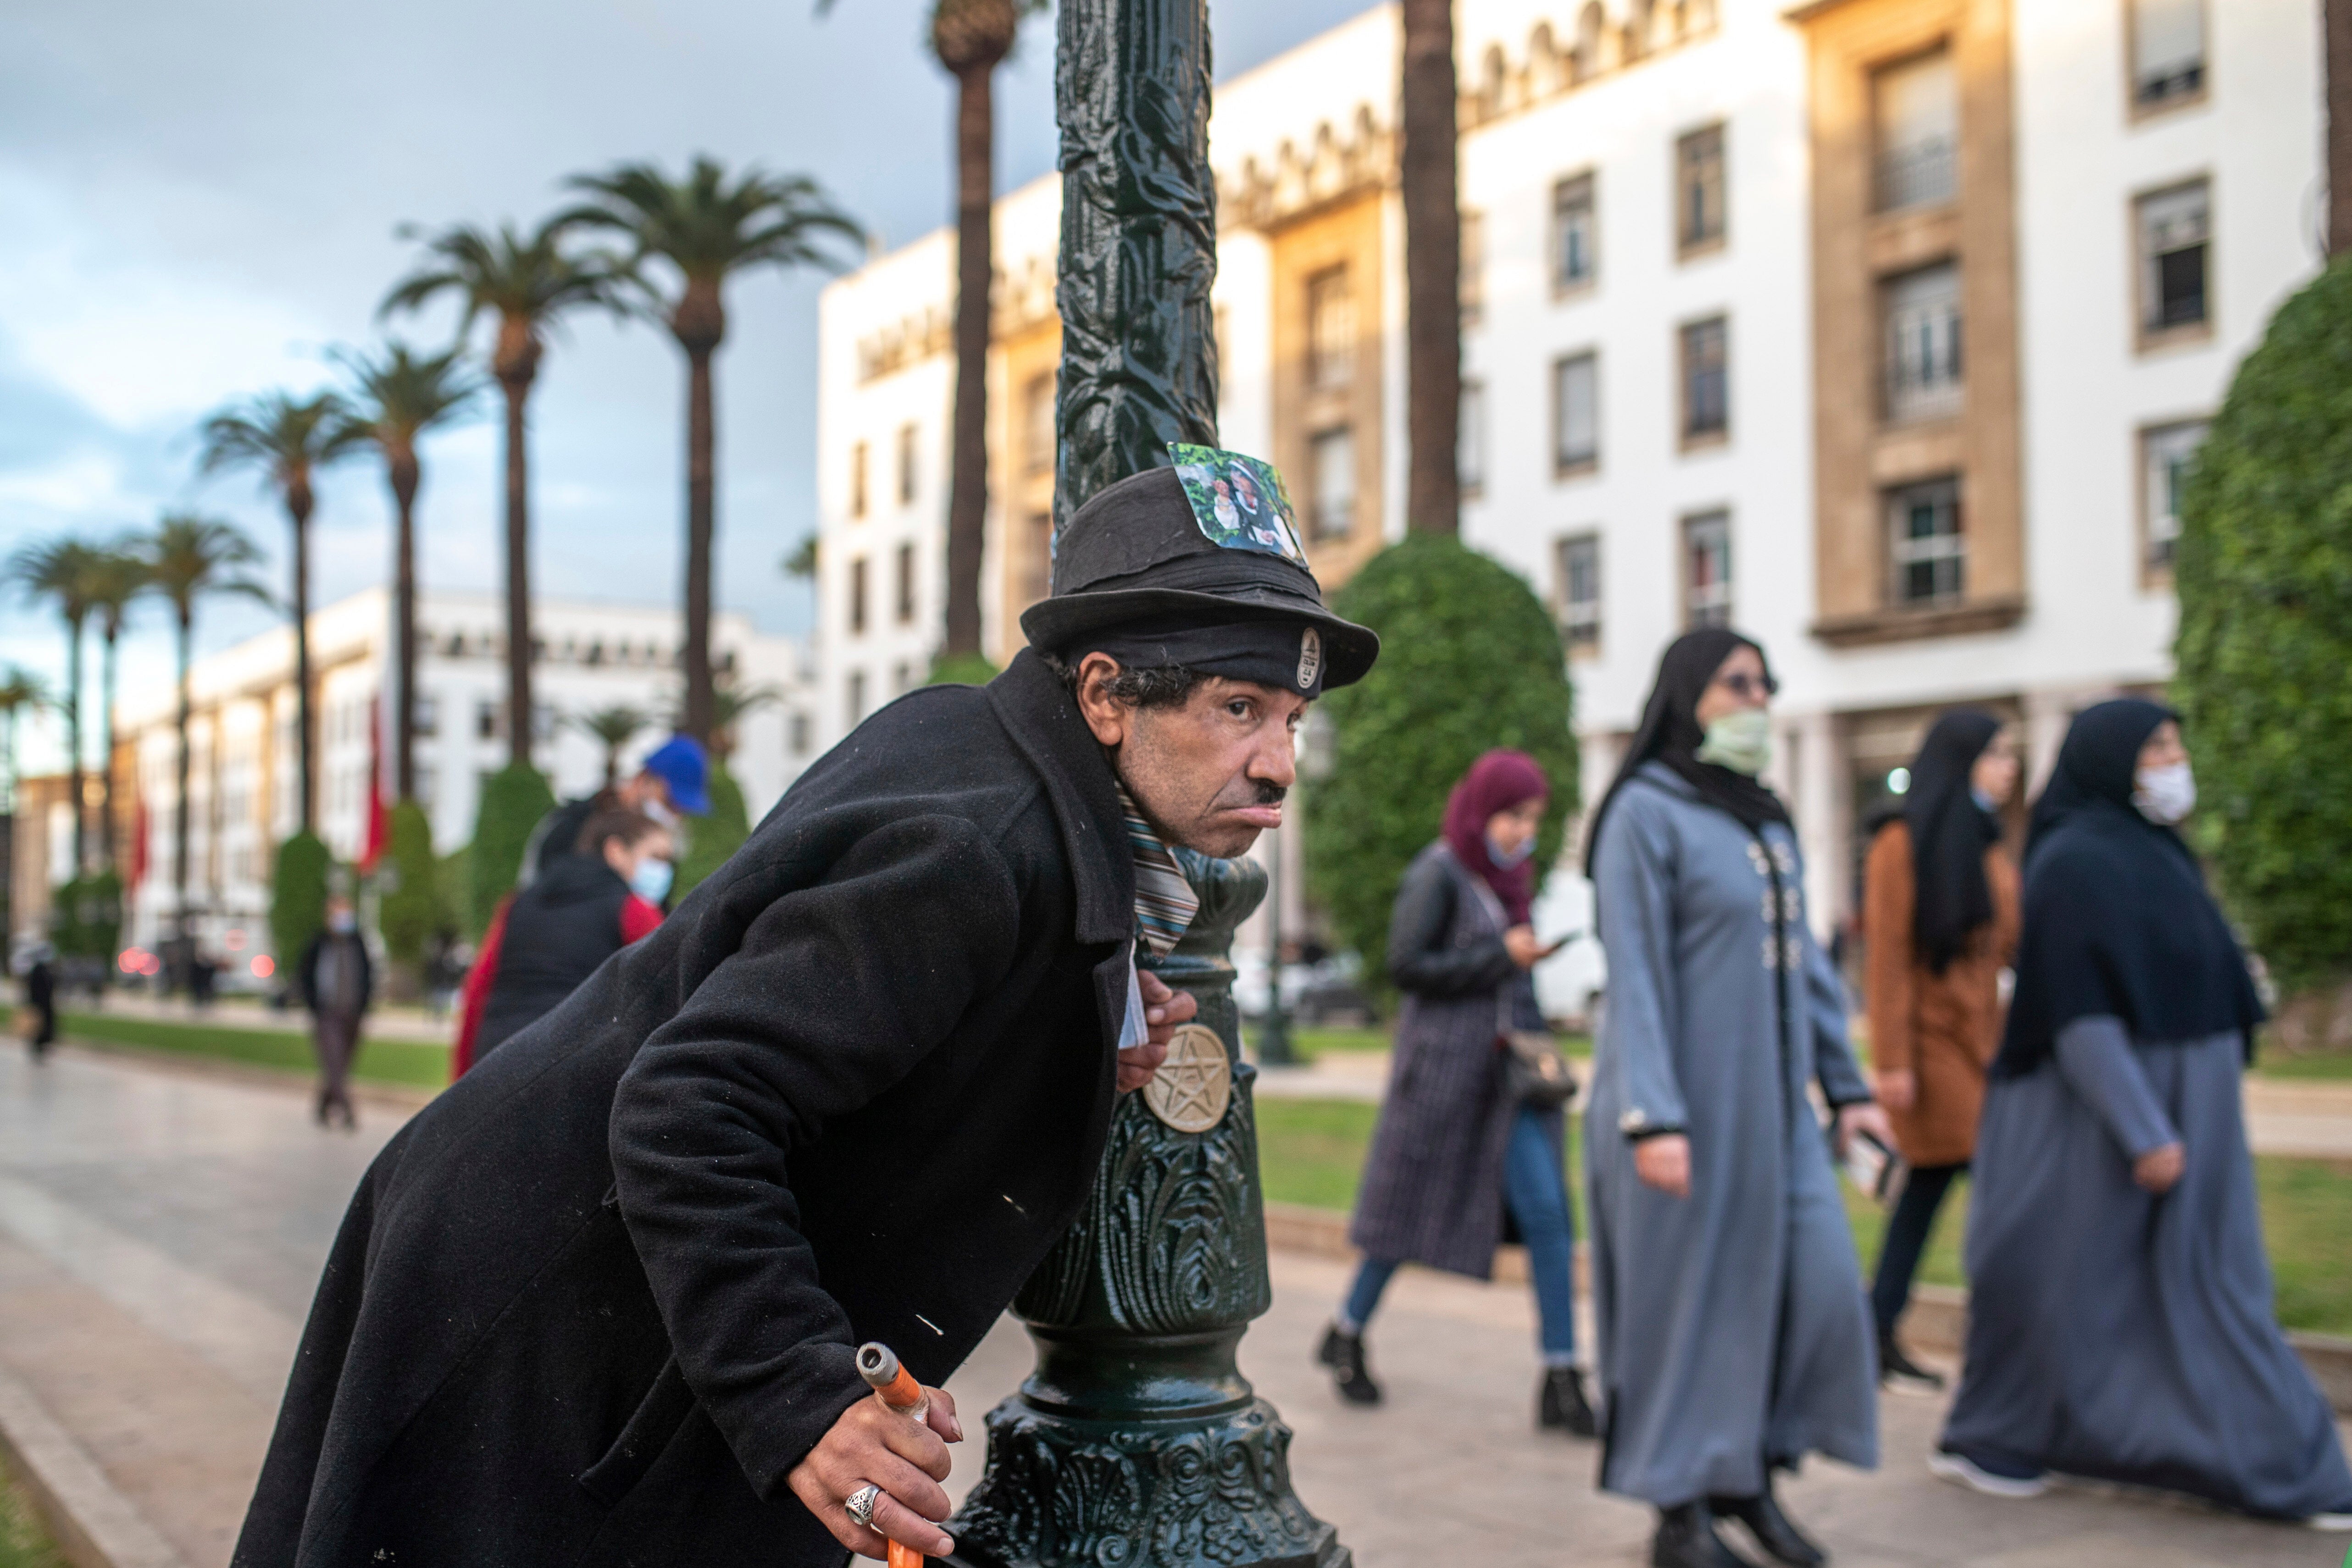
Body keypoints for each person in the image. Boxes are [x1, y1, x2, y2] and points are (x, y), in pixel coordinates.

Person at [230, 454, 1379, 1568]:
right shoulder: (976, 847)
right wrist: (804, 1396)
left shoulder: (997, 761)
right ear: (1104, 694)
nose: (1278, 763)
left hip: (578, 1269)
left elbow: (891, 1028)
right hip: (544, 1301)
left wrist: (1073, 1044)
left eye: (1291, 718)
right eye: (1239, 708)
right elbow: (691, 1104)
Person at [1933, 699, 2352, 1528]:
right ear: (2111, 757)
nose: (2171, 759)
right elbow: (2079, 1011)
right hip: (2097, 1120)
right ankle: (2290, 1467)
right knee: (2072, 1285)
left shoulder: (2153, 852)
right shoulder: (2072, 862)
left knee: (2178, 1283)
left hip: (2175, 1108)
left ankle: (2034, 1436)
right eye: (2155, 745)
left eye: (2172, 744)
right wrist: (2144, 1127)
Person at [1582, 628, 1890, 1568]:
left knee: (1818, 1293)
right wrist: (1652, 1115)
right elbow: (1632, 973)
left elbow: (1807, 972)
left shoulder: (1764, 818)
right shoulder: (1643, 811)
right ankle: (1680, 1508)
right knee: (1686, 1312)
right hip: (1673, 1110)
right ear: (1686, 694)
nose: (1757, 699)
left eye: (1764, 684)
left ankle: (1748, 1474)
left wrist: (1847, 1089)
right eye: (1736, 683)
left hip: (1777, 1118)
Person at [1319, 748, 1594, 1437]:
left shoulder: (1512, 884)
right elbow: (1408, 966)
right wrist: (1504, 955)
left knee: (1549, 1216)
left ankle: (1562, 1375)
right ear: (1482, 808)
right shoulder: (1437, 870)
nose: (1520, 830)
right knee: (1404, 1214)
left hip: (1509, 1085)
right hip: (1442, 1080)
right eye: (1512, 814)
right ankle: (1346, 1329)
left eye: (1532, 817)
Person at [1861, 710, 2019, 1391]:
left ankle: (1876, 1324)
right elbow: (1889, 958)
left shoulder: (1986, 842)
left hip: (1980, 1042)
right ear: (1963, 760)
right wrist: (1892, 1059)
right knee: (2001, 1193)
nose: (2008, 766)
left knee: (1925, 1192)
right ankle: (2011, 1340)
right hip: (1931, 1049)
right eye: (1997, 753)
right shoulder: (1901, 843)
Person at [464, 809, 674, 1069]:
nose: (664, 870)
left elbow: (477, 990)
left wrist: (463, 1081)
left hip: (494, 1058)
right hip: (569, 1065)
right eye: (656, 857)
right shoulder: (634, 909)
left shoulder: (519, 903)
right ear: (616, 851)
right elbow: (670, 987)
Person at [522, 732, 711, 887]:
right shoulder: (571, 826)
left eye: (683, 809)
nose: (674, 815)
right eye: (670, 802)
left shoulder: (658, 848)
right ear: (644, 780)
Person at [297, 895, 372, 1130]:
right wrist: (313, 1006)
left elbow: (369, 976)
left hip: (352, 1012)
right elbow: (305, 975)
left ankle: (324, 1104)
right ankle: (347, 1109)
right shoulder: (319, 943)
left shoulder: (357, 943)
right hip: (327, 1013)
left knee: (341, 1063)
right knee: (334, 1060)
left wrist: (364, 1006)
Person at [16, 943, 57, 1060]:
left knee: (44, 1027)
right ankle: (37, 1046)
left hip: (44, 1004)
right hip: (39, 1004)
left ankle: (41, 1046)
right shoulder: (38, 972)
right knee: (38, 1027)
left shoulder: (43, 971)